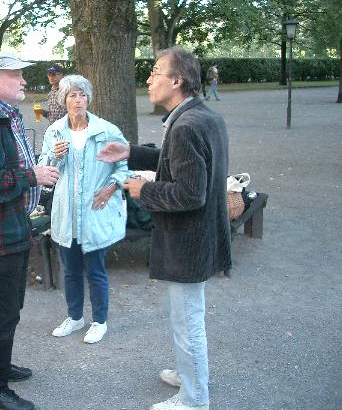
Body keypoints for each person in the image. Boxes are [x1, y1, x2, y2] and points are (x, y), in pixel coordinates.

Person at [97, 46, 231, 410]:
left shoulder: (186, 125)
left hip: (188, 241)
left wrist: (144, 189)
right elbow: (177, 160)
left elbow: (190, 193)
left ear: (177, 81)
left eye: (156, 71)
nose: (149, 78)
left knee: (187, 321)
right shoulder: (201, 116)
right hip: (201, 237)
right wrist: (130, 152)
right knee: (187, 316)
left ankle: (193, 397)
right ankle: (191, 374)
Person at [0, 51, 60, 410]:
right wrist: (30, 176)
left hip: (11, 226)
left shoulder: (6, 115)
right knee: (2, 311)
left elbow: (7, 165)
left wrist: (35, 169)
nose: (22, 80)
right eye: (14, 75)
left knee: (10, 306)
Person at [39, 74, 129, 344]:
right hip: (66, 211)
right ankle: (75, 316)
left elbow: (124, 165)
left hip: (94, 210)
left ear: (89, 98)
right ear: (63, 99)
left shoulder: (106, 130)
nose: (77, 101)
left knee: (96, 269)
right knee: (70, 270)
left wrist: (111, 187)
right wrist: (55, 155)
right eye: (72, 95)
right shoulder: (54, 131)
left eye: (82, 95)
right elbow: (44, 167)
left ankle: (100, 321)